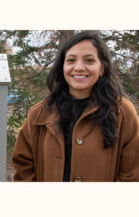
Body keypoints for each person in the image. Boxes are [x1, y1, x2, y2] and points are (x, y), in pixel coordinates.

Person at [12, 31, 139, 182]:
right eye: (71, 60)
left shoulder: (122, 112)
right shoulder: (39, 114)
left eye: (89, 60)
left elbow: (132, 174)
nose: (79, 67)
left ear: (102, 68)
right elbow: (24, 168)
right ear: (63, 66)